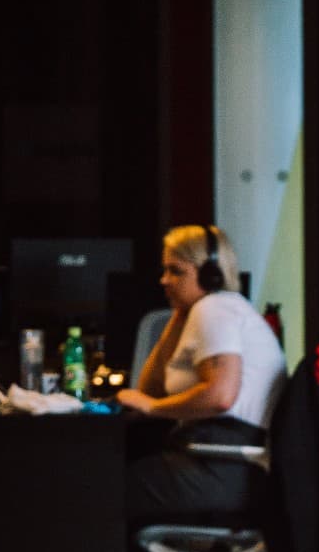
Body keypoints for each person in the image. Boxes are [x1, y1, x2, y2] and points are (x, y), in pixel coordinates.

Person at [117, 224, 286, 522]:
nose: (164, 280)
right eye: (164, 270)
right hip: (223, 465)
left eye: (176, 271)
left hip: (219, 468)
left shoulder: (215, 310)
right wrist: (177, 318)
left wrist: (154, 409)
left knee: (95, 488)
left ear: (211, 275)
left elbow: (220, 397)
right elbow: (149, 388)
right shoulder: (212, 309)